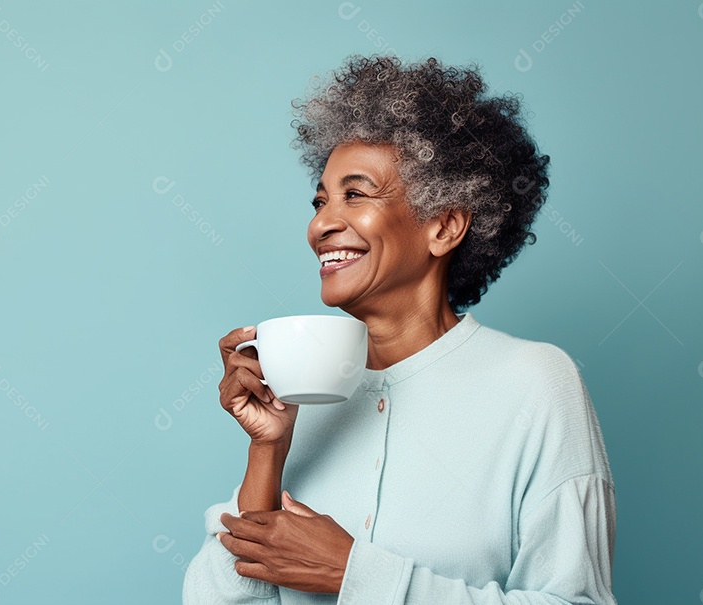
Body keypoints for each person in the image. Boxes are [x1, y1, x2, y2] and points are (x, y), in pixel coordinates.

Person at [183, 54, 616, 604]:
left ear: (444, 226)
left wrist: (355, 576)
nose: (320, 224)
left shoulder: (535, 383)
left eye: (355, 195)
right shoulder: (303, 396)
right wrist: (267, 451)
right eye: (320, 201)